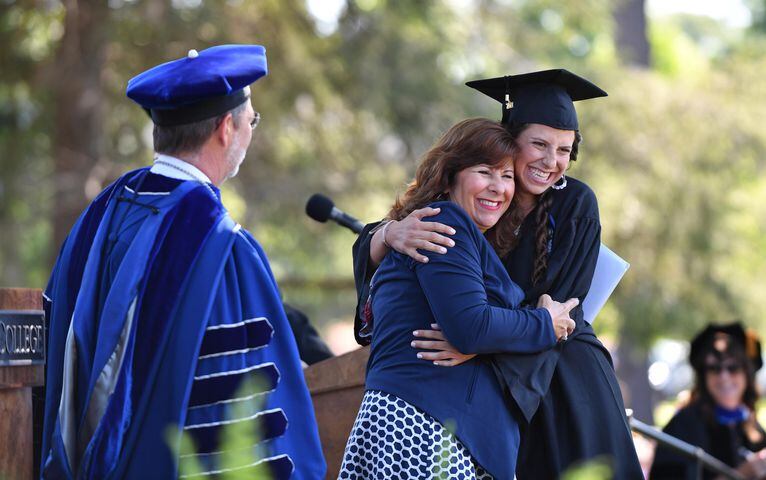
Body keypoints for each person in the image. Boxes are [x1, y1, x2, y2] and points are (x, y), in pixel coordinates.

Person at [40, 45, 325, 479]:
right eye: (252, 119)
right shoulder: (223, 250)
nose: (252, 128)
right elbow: (246, 425)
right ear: (226, 128)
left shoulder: (102, 215)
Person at [352, 69, 644, 479]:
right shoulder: (474, 204)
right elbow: (396, 260)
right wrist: (390, 234)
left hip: (561, 381)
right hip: (481, 394)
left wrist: (479, 344)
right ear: (509, 141)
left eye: (564, 149)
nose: (551, 161)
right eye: (538, 144)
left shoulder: (574, 204)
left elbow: (559, 315)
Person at [339, 117, 579, 479]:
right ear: (450, 175)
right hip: (423, 431)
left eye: (508, 176)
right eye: (485, 171)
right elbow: (471, 326)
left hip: (418, 427)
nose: (499, 188)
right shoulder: (445, 224)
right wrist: (544, 323)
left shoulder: (444, 234)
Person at [650, 322, 766, 480]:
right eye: (714, 368)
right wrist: (740, 475)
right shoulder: (683, 427)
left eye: (733, 367)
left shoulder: (752, 427)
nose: (724, 376)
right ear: (704, 376)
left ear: (747, 374)